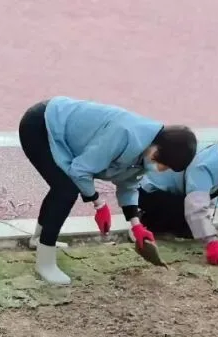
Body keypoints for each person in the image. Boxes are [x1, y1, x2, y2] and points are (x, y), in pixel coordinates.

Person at [18, 97, 198, 285]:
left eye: (166, 167)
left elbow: (129, 186)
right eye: (162, 163)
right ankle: (45, 262)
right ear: (158, 149)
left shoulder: (147, 152)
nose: (160, 169)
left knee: (63, 187)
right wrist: (98, 204)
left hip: (59, 132)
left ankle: (38, 239)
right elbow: (80, 171)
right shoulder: (123, 134)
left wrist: (136, 225)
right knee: (65, 189)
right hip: (43, 124)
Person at [137, 132, 218, 265]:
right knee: (188, 218)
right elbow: (195, 207)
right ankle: (146, 221)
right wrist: (212, 242)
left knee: (192, 230)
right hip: (149, 192)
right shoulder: (204, 166)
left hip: (179, 192)